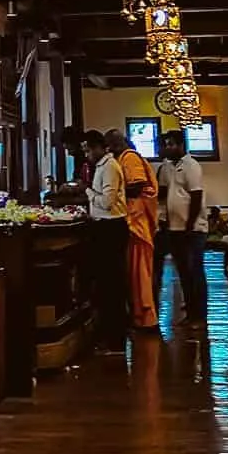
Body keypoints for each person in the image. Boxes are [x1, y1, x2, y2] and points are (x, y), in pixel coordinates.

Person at [105, 129, 159, 331]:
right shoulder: (125, 158)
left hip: (137, 221)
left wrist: (111, 190)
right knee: (135, 273)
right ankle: (139, 315)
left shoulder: (129, 158)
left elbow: (137, 187)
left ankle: (146, 316)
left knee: (140, 273)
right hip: (133, 220)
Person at [83, 129, 128, 353]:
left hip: (111, 227)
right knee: (106, 284)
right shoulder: (101, 166)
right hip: (103, 226)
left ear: (101, 147)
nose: (87, 155)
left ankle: (116, 338)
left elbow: (108, 202)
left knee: (112, 285)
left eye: (89, 150)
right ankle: (109, 335)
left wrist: (88, 192)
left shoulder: (110, 167)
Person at [158, 129, 208, 322]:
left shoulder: (191, 166)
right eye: (166, 145)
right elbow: (162, 193)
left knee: (195, 270)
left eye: (171, 144)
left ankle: (200, 315)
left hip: (192, 229)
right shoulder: (167, 166)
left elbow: (196, 196)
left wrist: (189, 225)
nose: (168, 148)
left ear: (180, 145)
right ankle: (190, 311)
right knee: (183, 272)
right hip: (174, 227)